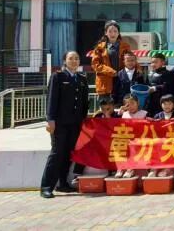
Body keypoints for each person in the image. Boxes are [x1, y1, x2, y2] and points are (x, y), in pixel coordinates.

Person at [40, 51, 89, 199]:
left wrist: (84, 120)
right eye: (71, 58)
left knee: (68, 154)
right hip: (60, 123)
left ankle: (62, 183)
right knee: (57, 153)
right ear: (64, 61)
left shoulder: (82, 79)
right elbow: (51, 99)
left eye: (76, 58)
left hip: (75, 123)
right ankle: (46, 187)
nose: (74, 61)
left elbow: (84, 102)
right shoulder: (58, 77)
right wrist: (50, 120)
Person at [91, 20, 131, 98]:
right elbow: (95, 65)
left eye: (115, 31)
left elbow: (130, 61)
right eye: (110, 31)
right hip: (105, 84)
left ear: (118, 33)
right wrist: (112, 72)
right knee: (106, 105)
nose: (113, 34)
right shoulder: (99, 47)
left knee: (122, 105)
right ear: (106, 33)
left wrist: (137, 69)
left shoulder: (126, 46)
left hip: (121, 82)